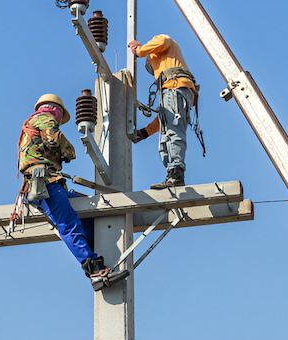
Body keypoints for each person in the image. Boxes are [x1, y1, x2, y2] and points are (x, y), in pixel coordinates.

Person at [17, 93, 118, 288]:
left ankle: (95, 250)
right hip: (45, 183)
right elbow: (54, 142)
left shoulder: (31, 123)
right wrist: (69, 151)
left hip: (48, 183)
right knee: (69, 224)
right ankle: (93, 270)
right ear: (56, 110)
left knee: (86, 215)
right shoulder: (45, 119)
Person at [127, 34, 199, 189]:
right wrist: (145, 133)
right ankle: (172, 175)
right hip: (178, 91)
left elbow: (163, 40)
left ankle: (176, 174)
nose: (154, 70)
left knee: (173, 132)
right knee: (165, 138)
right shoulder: (167, 88)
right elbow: (164, 119)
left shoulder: (162, 43)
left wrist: (139, 50)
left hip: (175, 87)